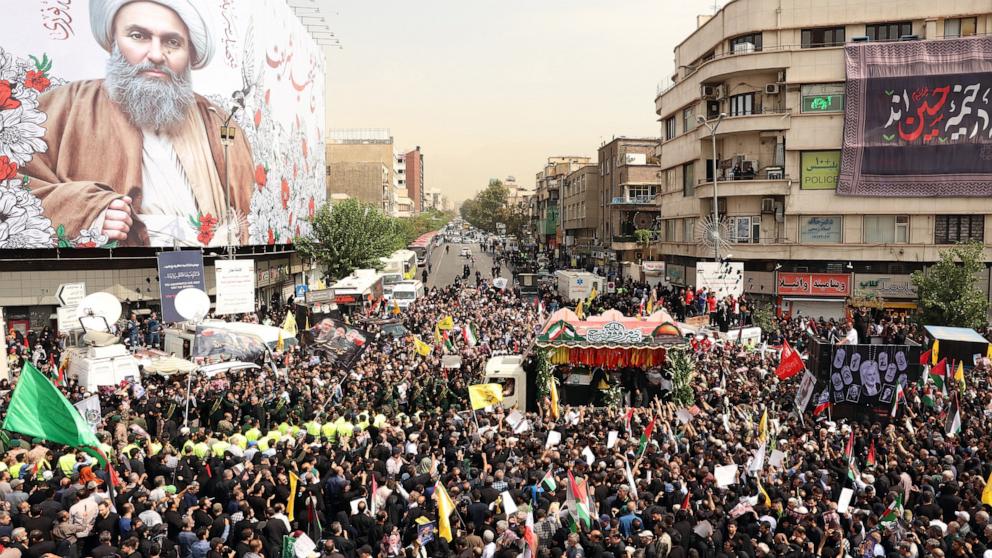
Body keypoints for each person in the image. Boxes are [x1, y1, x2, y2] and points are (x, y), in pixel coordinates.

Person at [23, 0, 254, 247]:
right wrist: (89, 210)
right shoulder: (63, 106)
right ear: (113, 40)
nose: (156, 55)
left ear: (190, 53)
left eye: (172, 42)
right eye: (138, 36)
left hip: (205, 269)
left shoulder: (218, 122)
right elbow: (15, 187)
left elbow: (246, 210)